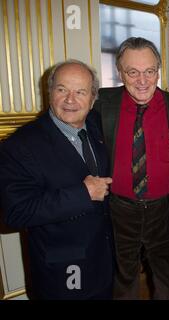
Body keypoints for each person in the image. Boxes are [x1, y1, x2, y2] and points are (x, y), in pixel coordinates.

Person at [0, 60, 114, 299]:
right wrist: (83, 194)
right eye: (62, 89)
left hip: (102, 261)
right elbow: (16, 212)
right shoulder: (19, 146)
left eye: (80, 92)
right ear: (49, 92)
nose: (70, 100)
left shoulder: (95, 126)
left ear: (93, 99)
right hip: (62, 272)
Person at [93, 37, 169, 299]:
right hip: (119, 209)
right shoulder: (101, 105)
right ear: (120, 72)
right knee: (123, 277)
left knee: (168, 278)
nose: (142, 81)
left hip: (164, 210)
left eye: (149, 71)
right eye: (133, 72)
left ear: (158, 70)